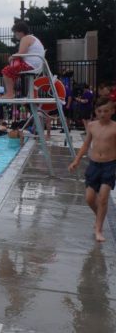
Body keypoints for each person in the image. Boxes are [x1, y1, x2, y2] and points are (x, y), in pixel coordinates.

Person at [68, 98, 116, 242]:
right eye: (99, 111)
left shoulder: (115, 127)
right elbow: (86, 145)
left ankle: (98, 229)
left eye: (106, 111)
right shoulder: (92, 126)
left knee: (103, 198)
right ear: (95, 112)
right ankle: (99, 216)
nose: (102, 114)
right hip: (94, 165)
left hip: (109, 165)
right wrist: (76, 160)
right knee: (89, 198)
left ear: (113, 111)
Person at [1, 21, 46, 99]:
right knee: (11, 72)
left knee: (5, 71)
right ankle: (10, 92)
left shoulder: (25, 38)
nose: (15, 35)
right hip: (36, 64)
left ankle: (10, 93)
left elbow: (21, 53)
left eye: (15, 33)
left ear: (20, 32)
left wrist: (11, 57)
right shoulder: (33, 37)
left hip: (30, 65)